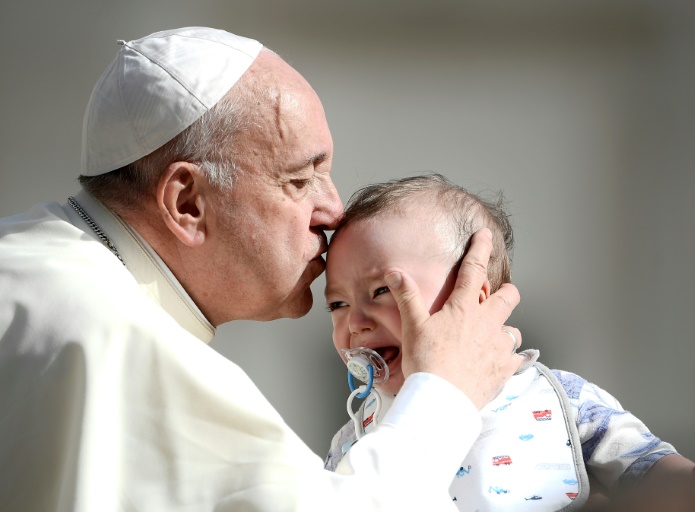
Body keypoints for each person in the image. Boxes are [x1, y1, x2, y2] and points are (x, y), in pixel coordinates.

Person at [0, 28, 524, 510]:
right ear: (188, 203)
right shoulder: (115, 336)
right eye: (301, 179)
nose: (333, 211)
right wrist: (444, 392)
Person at [323, 173, 695, 511]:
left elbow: (642, 469)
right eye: (338, 304)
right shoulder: (359, 436)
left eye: (382, 291)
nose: (355, 323)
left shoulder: (557, 398)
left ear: (472, 296)